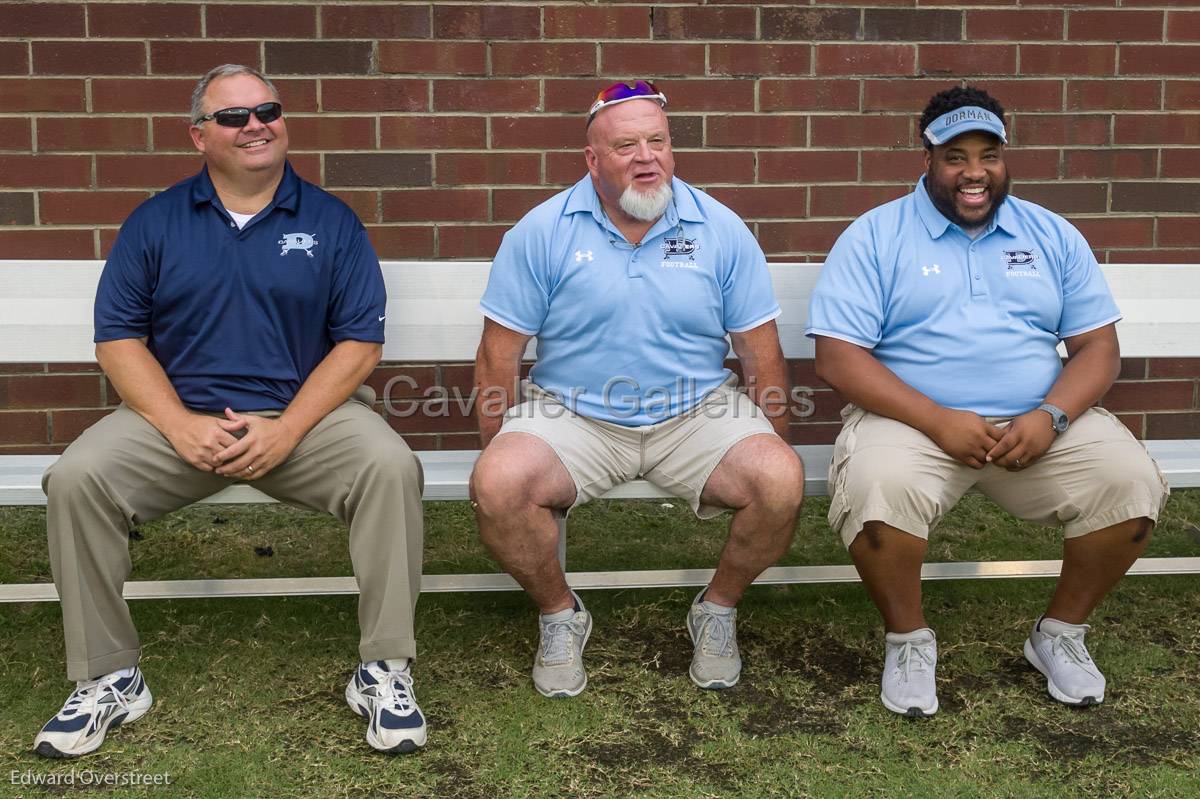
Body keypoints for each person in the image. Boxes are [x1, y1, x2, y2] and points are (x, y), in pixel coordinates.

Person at [34, 64, 426, 757]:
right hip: (177, 418)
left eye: (267, 110)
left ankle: (384, 667)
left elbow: (360, 344)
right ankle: (109, 674)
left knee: (389, 465)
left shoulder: (330, 220)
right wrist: (179, 424)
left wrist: (289, 428)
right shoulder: (156, 221)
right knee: (77, 478)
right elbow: (118, 340)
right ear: (198, 136)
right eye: (234, 116)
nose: (256, 125)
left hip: (303, 418)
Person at [808, 85, 1168, 717]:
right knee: (876, 492)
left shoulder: (1050, 233)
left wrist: (1051, 416)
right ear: (928, 159)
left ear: (1004, 158)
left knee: (1130, 484)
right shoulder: (875, 236)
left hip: (1037, 420)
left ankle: (1059, 634)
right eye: (955, 156)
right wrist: (938, 420)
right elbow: (839, 357)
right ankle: (909, 642)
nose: (974, 172)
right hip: (914, 421)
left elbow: (1098, 349)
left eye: (989, 154)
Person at [469, 80, 805, 698]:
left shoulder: (720, 228)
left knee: (781, 479)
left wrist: (771, 441)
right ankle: (559, 615)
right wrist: (498, 444)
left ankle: (717, 610)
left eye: (658, 141)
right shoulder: (542, 230)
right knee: (497, 484)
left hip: (697, 411)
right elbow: (499, 355)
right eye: (626, 146)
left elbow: (760, 351)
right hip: (571, 413)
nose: (646, 157)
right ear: (592, 160)